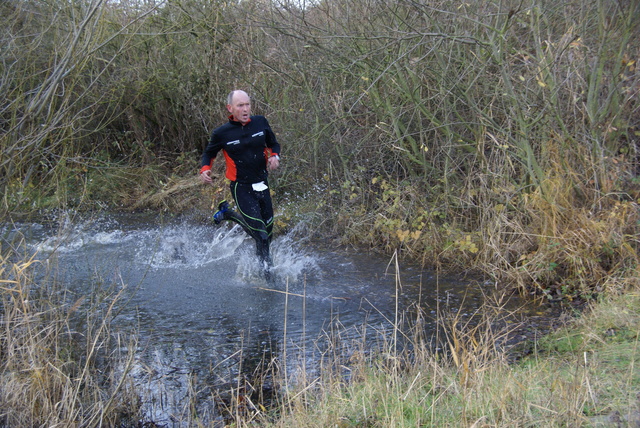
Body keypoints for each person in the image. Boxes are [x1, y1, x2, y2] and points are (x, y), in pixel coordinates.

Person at [199, 90, 281, 272]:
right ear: (230, 108)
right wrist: (205, 169)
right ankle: (269, 276)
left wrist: (275, 156)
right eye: (240, 105)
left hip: (262, 183)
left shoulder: (260, 122)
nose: (245, 109)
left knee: (267, 234)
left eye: (247, 104)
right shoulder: (222, 133)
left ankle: (264, 271)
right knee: (260, 234)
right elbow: (209, 154)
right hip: (241, 187)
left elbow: (273, 144)